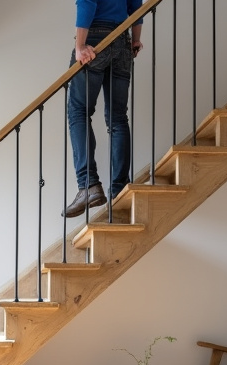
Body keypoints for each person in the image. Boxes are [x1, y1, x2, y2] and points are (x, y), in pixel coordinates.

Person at [63, 0, 144, 218]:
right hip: (121, 39)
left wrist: (80, 46)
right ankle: (119, 189)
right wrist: (135, 39)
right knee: (118, 118)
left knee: (78, 111)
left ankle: (88, 185)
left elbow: (86, 2)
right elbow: (136, 5)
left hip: (96, 39)